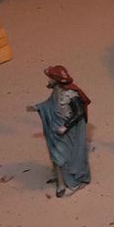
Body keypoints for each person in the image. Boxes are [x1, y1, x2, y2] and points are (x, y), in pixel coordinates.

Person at [28, 65, 91, 197]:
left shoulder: (71, 94)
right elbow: (50, 104)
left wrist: (65, 126)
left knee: (62, 157)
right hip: (55, 130)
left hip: (67, 133)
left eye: (50, 78)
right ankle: (60, 182)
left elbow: (79, 112)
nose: (48, 80)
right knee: (56, 157)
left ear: (55, 79)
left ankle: (71, 181)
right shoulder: (56, 92)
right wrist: (38, 107)